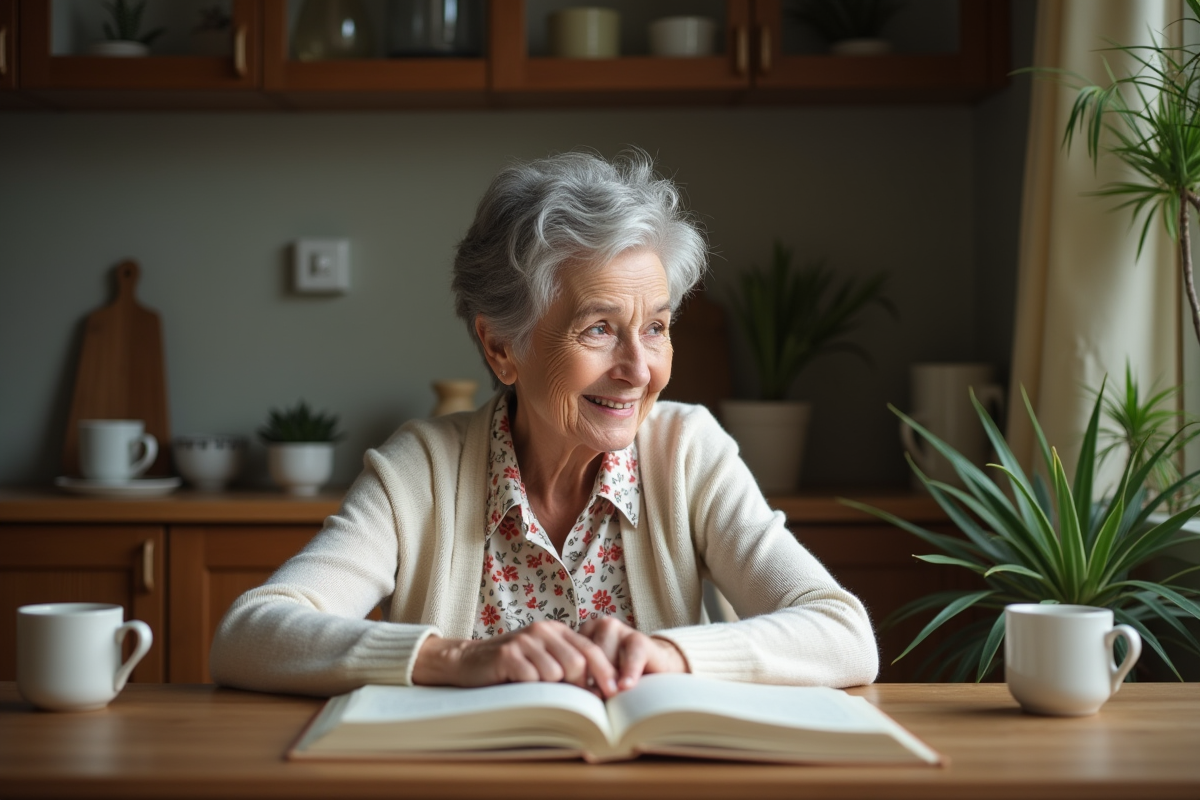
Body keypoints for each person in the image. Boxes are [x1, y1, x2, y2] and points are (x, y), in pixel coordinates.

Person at [210, 150, 878, 698]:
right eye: (599, 329)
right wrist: (453, 658)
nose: (639, 369)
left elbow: (843, 633)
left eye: (656, 327)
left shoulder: (689, 451)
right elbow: (250, 634)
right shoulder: (423, 469)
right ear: (502, 348)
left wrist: (668, 652)